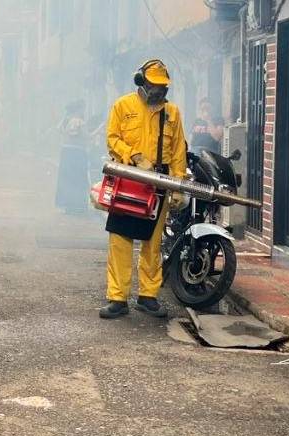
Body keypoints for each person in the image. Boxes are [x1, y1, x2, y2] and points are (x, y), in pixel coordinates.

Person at [100, 59, 189, 319]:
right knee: (120, 240)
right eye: (154, 85)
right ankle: (117, 298)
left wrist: (178, 185)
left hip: (159, 183)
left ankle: (148, 297)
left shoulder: (172, 113)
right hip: (128, 178)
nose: (159, 91)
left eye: (163, 87)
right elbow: (112, 138)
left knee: (152, 242)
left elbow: (178, 152)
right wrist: (134, 155)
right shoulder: (123, 105)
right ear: (141, 81)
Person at [55, 100, 90, 214]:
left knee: (67, 179)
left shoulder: (65, 121)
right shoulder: (79, 122)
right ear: (78, 110)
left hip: (66, 153)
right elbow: (85, 137)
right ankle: (77, 205)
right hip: (77, 154)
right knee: (78, 179)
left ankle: (68, 204)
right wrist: (97, 132)